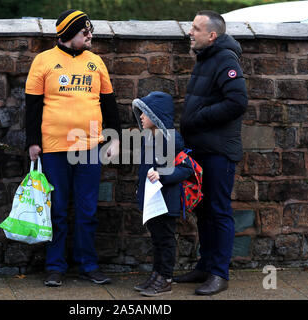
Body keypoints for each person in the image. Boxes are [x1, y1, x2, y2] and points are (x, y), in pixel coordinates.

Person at [25, 9, 121, 287]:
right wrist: (33, 142)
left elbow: (109, 104)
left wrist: (114, 138)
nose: (90, 36)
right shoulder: (43, 61)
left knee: (88, 209)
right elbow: (32, 107)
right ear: (69, 35)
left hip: (90, 146)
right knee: (56, 209)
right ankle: (55, 267)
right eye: (85, 32)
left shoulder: (96, 62)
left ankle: (88, 265)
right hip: (53, 147)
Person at [176, 10, 248, 295]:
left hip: (218, 151)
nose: (190, 32)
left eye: (195, 28)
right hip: (202, 149)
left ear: (212, 35)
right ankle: (205, 266)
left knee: (218, 211)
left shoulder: (226, 59)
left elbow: (237, 102)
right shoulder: (207, 58)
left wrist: (199, 116)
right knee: (203, 210)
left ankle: (219, 273)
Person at [132, 91, 194, 297]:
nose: (141, 116)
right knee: (157, 240)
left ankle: (165, 278)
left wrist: (162, 175)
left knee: (165, 240)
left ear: (156, 115)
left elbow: (186, 168)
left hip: (166, 202)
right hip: (153, 201)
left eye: (145, 113)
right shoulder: (149, 139)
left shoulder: (171, 139)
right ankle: (157, 274)